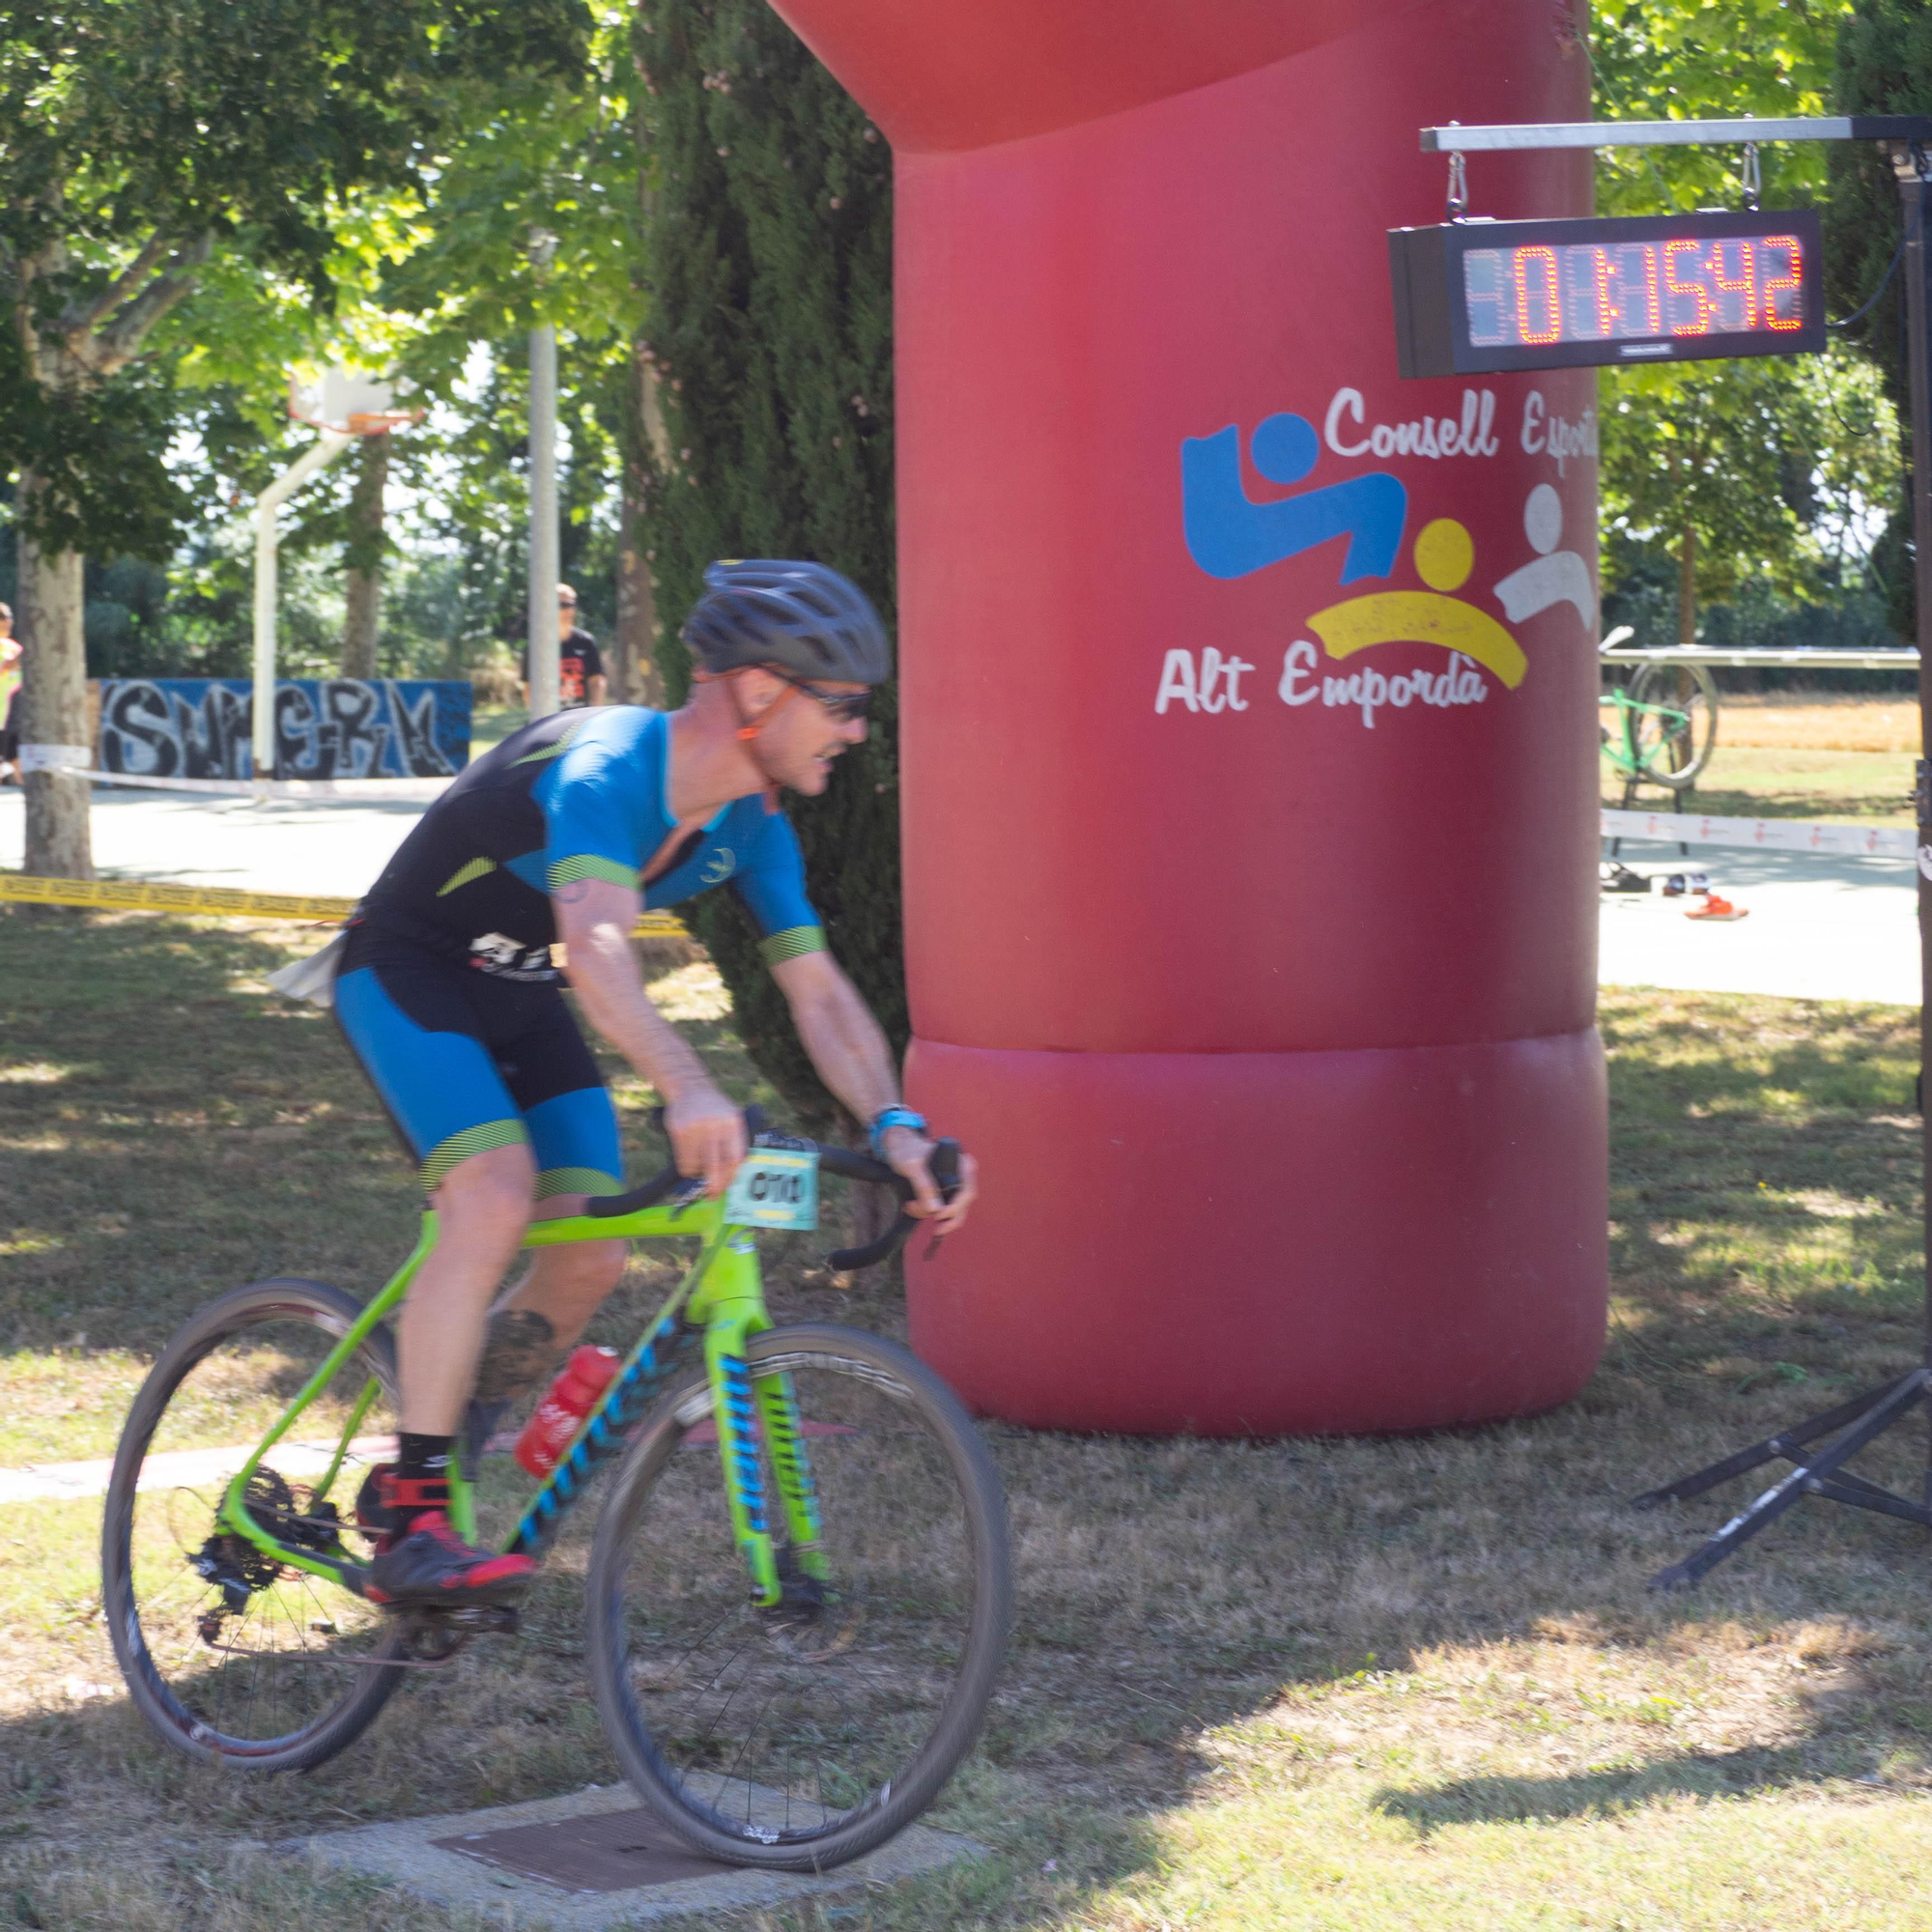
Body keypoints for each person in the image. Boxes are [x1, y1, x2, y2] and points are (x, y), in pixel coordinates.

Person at [332, 558, 977, 1605]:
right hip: (408, 967)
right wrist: (684, 1083)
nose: (857, 731)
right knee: (491, 1194)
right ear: (760, 689)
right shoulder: (606, 765)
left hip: (522, 984)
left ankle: (437, 1448)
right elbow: (595, 945)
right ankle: (411, 1512)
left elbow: (815, 992)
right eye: (845, 705)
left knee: (588, 1256)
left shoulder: (752, 827)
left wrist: (897, 1123)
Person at [519, 583, 607, 710]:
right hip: (550, 718)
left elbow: (597, 681)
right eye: (562, 605)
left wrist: (596, 712)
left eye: (571, 605)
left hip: (579, 717)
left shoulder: (586, 642)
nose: (569, 610)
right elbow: (529, 687)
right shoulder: (537, 646)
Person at [0, 603, 20, 786]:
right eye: (2, 617)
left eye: (9, 616)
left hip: (13, 722)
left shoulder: (14, 648)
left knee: (25, 772)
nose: (7, 621)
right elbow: (5, 668)